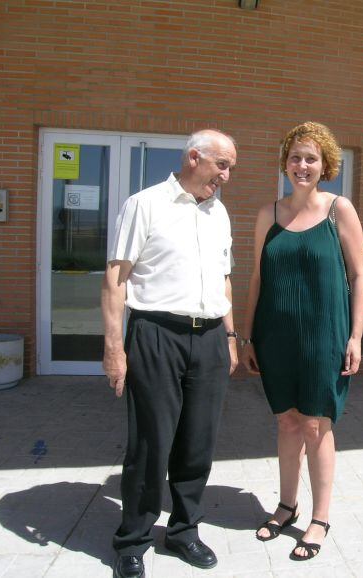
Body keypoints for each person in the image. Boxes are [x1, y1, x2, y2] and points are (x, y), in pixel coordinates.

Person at [102, 129, 239, 578]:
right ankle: (133, 539)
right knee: (150, 443)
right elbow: (115, 279)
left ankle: (184, 532)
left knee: (197, 442)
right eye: (222, 165)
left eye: (230, 169)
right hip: (156, 335)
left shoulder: (219, 214)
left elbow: (224, 279)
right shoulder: (145, 204)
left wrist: (232, 338)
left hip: (210, 339)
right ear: (194, 157)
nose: (226, 176)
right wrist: (114, 348)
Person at [241, 121, 363, 561]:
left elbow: (358, 275)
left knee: (316, 425)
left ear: (325, 163)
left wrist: (354, 335)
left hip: (324, 336)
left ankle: (320, 517)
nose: (302, 165)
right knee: (286, 421)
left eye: (311, 158)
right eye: (295, 157)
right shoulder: (267, 214)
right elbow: (258, 277)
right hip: (276, 337)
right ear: (285, 163)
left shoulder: (339, 210)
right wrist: (248, 335)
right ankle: (286, 505)